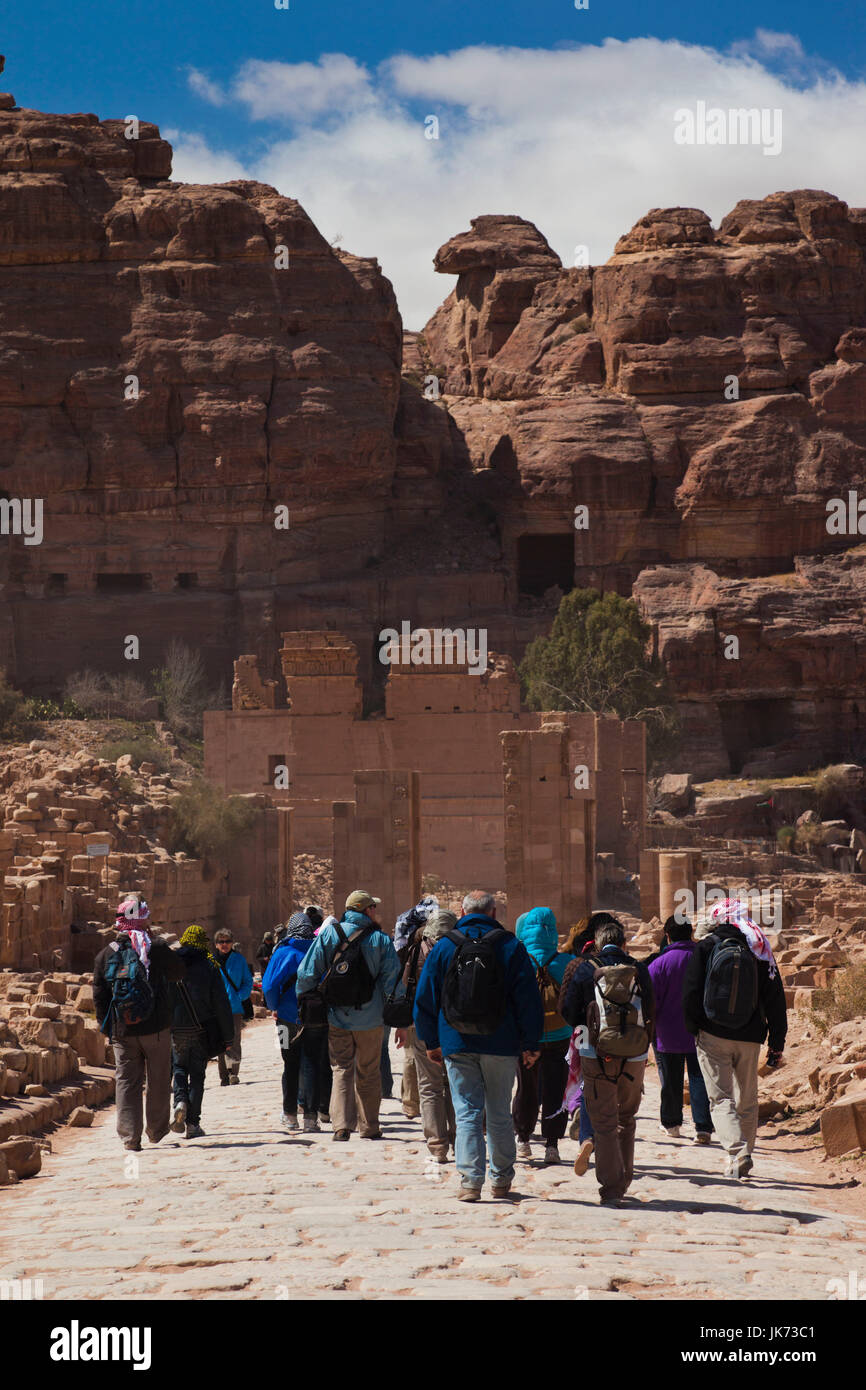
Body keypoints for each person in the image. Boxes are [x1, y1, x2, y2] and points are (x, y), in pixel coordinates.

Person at [413, 890, 543, 1202]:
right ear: (494, 912)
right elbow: (528, 1000)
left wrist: (431, 1040)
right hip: (501, 1041)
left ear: (461, 911)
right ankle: (500, 1179)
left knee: (466, 1111)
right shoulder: (511, 946)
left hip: (457, 1041)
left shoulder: (445, 946)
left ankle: (470, 1181)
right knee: (498, 1111)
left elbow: (425, 998)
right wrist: (531, 1042)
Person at [683, 898, 787, 1179]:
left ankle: (736, 1152)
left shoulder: (705, 946)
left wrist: (694, 1027)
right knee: (748, 1099)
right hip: (750, 1035)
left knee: (720, 1099)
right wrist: (777, 1043)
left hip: (712, 1032)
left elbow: (691, 991)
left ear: (719, 919)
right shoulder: (759, 948)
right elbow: (776, 999)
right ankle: (747, 1153)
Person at [560, 917, 654, 1206]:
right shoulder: (638, 969)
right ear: (624, 943)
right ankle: (624, 1178)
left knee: (603, 1122)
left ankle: (611, 1187)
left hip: (594, 1053)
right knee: (626, 1119)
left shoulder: (586, 969)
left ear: (597, 943)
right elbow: (651, 1007)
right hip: (634, 1055)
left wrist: (586, 1031)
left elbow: (568, 1010)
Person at [296, 890, 402, 1141]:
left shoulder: (331, 933)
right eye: (372, 908)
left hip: (337, 1015)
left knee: (341, 1068)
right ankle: (369, 1126)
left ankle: (341, 1126)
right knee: (368, 1071)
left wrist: (305, 1000)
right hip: (371, 1018)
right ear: (367, 910)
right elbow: (392, 981)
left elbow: (306, 972)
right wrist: (397, 1010)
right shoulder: (380, 939)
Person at [93, 893, 186, 1152]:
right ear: (143, 918)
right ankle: (156, 1131)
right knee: (158, 1079)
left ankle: (129, 1138)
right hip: (156, 1027)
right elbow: (179, 972)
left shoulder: (105, 954)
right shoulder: (154, 948)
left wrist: (107, 1027)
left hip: (122, 1029)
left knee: (126, 1082)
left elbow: (99, 995)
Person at [395, 908, 458, 1162]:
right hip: (454, 1027)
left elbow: (406, 986)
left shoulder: (415, 948)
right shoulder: (459, 949)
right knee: (455, 1083)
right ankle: (458, 1138)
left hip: (423, 1025)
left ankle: (436, 1144)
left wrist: (403, 1022)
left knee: (429, 1086)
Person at [513, 907, 572, 1165]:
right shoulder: (565, 962)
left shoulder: (516, 961)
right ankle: (552, 1145)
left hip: (526, 1037)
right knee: (555, 1090)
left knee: (526, 1087)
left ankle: (523, 1139)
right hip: (559, 1035)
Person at [262, 911, 330, 1132]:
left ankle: (290, 1115)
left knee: (289, 1064)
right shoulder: (320, 950)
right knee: (312, 1064)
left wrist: (275, 1006)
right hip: (316, 1017)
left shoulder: (282, 952)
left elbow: (270, 986)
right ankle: (311, 1118)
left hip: (285, 1019)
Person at [648, 915, 713, 1143]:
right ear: (691, 933)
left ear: (667, 936)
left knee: (671, 1079)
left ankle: (672, 1123)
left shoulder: (658, 964)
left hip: (667, 1032)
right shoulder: (704, 958)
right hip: (700, 1029)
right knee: (699, 1077)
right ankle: (703, 1127)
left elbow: (651, 1001)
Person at [169, 924, 234, 1139]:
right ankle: (193, 1124)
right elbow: (221, 1004)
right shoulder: (210, 965)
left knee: (179, 1067)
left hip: (176, 1027)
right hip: (201, 1028)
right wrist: (228, 1035)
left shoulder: (172, 964)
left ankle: (179, 1101)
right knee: (197, 1074)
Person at [213, 928, 253, 1085]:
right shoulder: (211, 962)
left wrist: (239, 996)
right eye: (221, 942)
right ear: (216, 944)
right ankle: (223, 1074)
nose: (224, 944)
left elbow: (248, 981)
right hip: (216, 1009)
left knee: (234, 1039)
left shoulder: (239, 960)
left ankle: (233, 1072)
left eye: (227, 941)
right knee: (220, 1041)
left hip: (235, 1007)